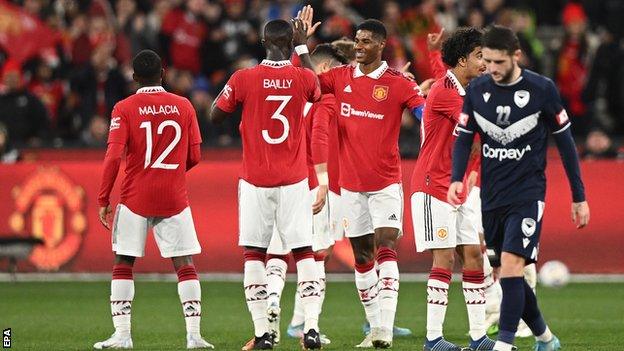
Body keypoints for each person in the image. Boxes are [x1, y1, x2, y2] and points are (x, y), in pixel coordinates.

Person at [448, 25, 590, 351]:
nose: (492, 69)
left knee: (512, 265)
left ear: (516, 56)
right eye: (487, 61)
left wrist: (578, 196)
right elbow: (464, 138)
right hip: (492, 194)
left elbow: (566, 144)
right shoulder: (477, 91)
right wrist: (457, 177)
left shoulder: (542, 90)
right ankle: (545, 338)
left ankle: (504, 344)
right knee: (507, 271)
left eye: (499, 62)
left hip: (527, 193)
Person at [294, 7, 426, 348]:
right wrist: (301, 47)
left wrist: (432, 119)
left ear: (381, 45)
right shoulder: (340, 79)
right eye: (357, 41)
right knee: (363, 258)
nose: (360, 46)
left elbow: (421, 108)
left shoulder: (397, 84)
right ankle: (375, 326)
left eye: (367, 41)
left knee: (386, 247)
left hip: (385, 183)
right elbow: (309, 83)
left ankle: (385, 328)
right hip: (350, 188)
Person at [210, 19, 323, 350]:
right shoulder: (302, 77)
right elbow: (319, 88)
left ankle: (262, 335)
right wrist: (303, 46)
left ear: (262, 42)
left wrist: (239, 96)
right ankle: (312, 330)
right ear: (290, 44)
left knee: (255, 254)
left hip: (256, 180)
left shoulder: (244, 78)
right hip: (293, 180)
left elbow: (216, 113)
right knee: (304, 253)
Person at [95, 49, 212, 349]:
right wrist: (170, 173)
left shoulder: (124, 108)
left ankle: (122, 335)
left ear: (134, 78)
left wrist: (103, 197)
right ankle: (194, 335)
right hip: (174, 197)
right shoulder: (184, 105)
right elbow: (195, 155)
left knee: (124, 261)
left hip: (135, 196)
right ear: (163, 73)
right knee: (184, 263)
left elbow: (112, 157)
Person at [411, 27, 498, 351]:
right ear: (462, 60)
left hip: (457, 187)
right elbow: (480, 129)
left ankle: (478, 338)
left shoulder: (464, 88)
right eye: (479, 56)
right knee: (445, 258)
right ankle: (433, 339)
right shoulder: (446, 92)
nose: (485, 62)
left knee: (474, 255)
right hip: (434, 185)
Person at [258, 43, 348, 348]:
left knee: (278, 251)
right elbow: (320, 136)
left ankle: (274, 307)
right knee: (316, 256)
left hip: (276, 181)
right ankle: (310, 325)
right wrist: (323, 180)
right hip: (312, 182)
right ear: (322, 70)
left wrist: (300, 43)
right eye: (335, 70)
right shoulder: (326, 99)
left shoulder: (286, 90)